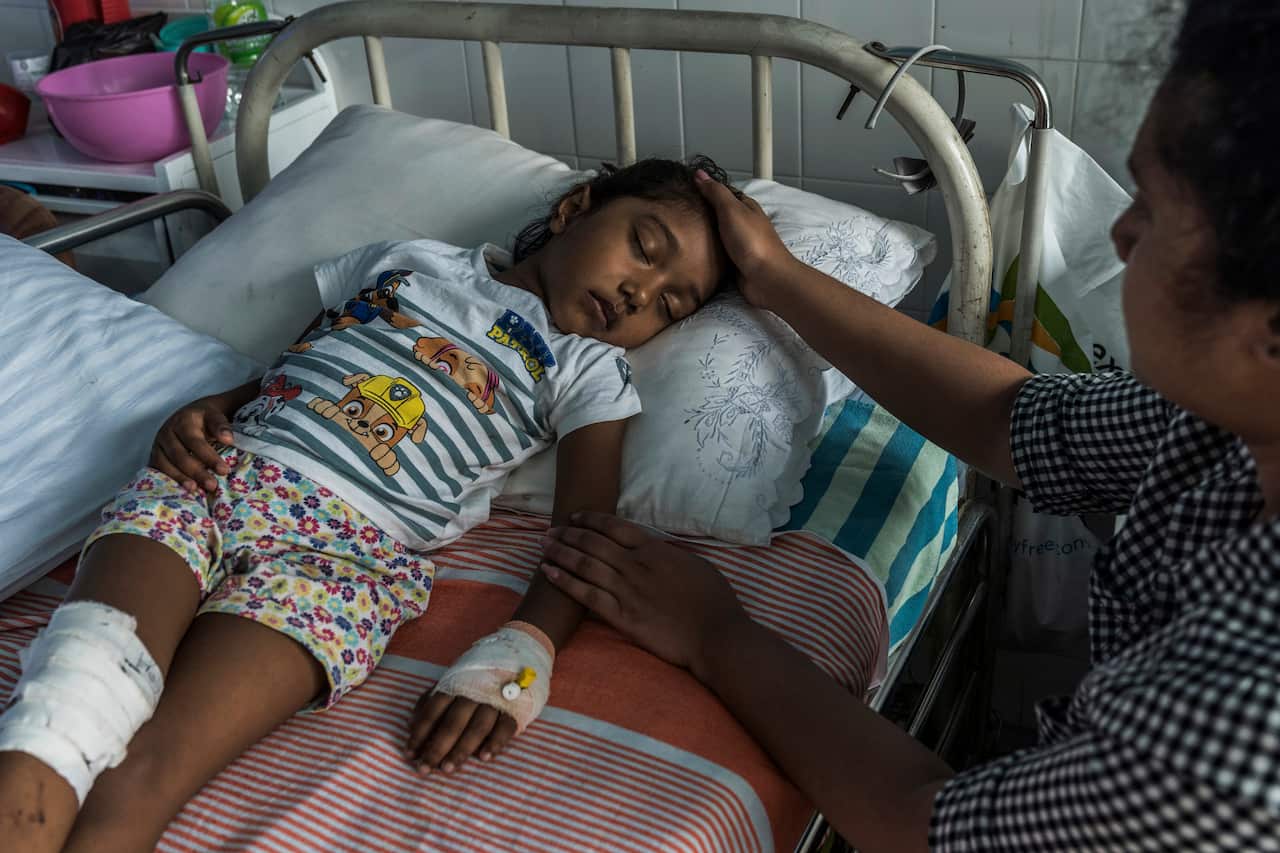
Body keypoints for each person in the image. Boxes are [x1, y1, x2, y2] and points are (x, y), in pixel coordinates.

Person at [538, 3, 1280, 850]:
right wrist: (776, 277)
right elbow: (1011, 418)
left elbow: (923, 826)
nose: (1121, 231)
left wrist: (716, 631)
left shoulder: (1243, 731)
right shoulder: (1222, 429)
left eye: (1155, 209)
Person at [0, 156, 733, 853]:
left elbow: (585, 532)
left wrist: (519, 655)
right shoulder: (406, 264)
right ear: (576, 209)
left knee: (151, 769)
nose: (641, 292)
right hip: (211, 479)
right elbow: (293, 369)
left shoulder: (588, 368)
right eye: (644, 249)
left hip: (341, 561)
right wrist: (211, 406)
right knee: (76, 695)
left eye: (670, 303)